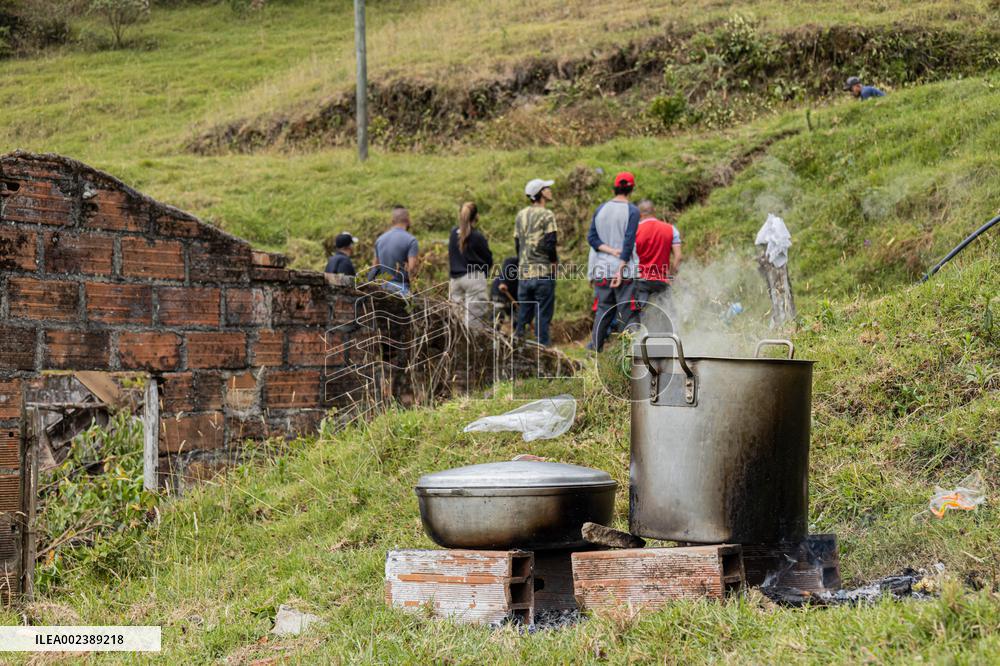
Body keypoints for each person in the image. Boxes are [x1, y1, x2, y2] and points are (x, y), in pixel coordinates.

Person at [587, 171, 640, 352]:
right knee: (627, 312)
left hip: (602, 270)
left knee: (603, 311)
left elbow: (592, 238)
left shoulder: (601, 209)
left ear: (615, 187)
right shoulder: (632, 211)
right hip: (623, 272)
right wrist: (620, 267)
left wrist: (609, 250)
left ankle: (594, 353)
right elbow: (629, 240)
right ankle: (632, 354)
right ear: (632, 188)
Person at [514, 178, 558, 346]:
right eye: (547, 188)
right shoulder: (547, 215)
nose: (550, 190)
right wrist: (553, 262)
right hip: (543, 274)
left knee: (523, 315)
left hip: (524, 274)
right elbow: (550, 242)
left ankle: (516, 348)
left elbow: (517, 244)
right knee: (543, 317)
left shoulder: (521, 215)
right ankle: (543, 352)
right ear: (541, 193)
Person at [633, 200, 682, 335]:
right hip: (662, 281)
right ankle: (674, 346)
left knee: (639, 316)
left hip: (641, 281)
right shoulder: (671, 229)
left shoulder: (634, 231)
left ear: (639, 214)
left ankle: (640, 348)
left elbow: (629, 258)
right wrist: (671, 275)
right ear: (653, 211)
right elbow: (678, 257)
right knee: (669, 315)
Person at [448, 202, 493, 329]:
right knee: (474, 322)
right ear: (476, 216)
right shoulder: (477, 236)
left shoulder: (453, 233)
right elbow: (488, 259)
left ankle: (458, 348)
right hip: (473, 278)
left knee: (457, 322)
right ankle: (472, 347)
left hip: (455, 280)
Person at [372, 206, 419, 295]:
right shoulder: (411, 240)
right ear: (408, 221)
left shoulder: (380, 239)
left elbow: (374, 266)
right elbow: (412, 268)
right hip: (402, 289)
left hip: (381, 289)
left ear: (392, 221)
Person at [491, 256, 519, 328]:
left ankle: (515, 335)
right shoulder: (513, 260)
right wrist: (503, 283)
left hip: (514, 296)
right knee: (498, 316)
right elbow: (506, 267)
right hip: (500, 291)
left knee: (516, 318)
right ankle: (492, 333)